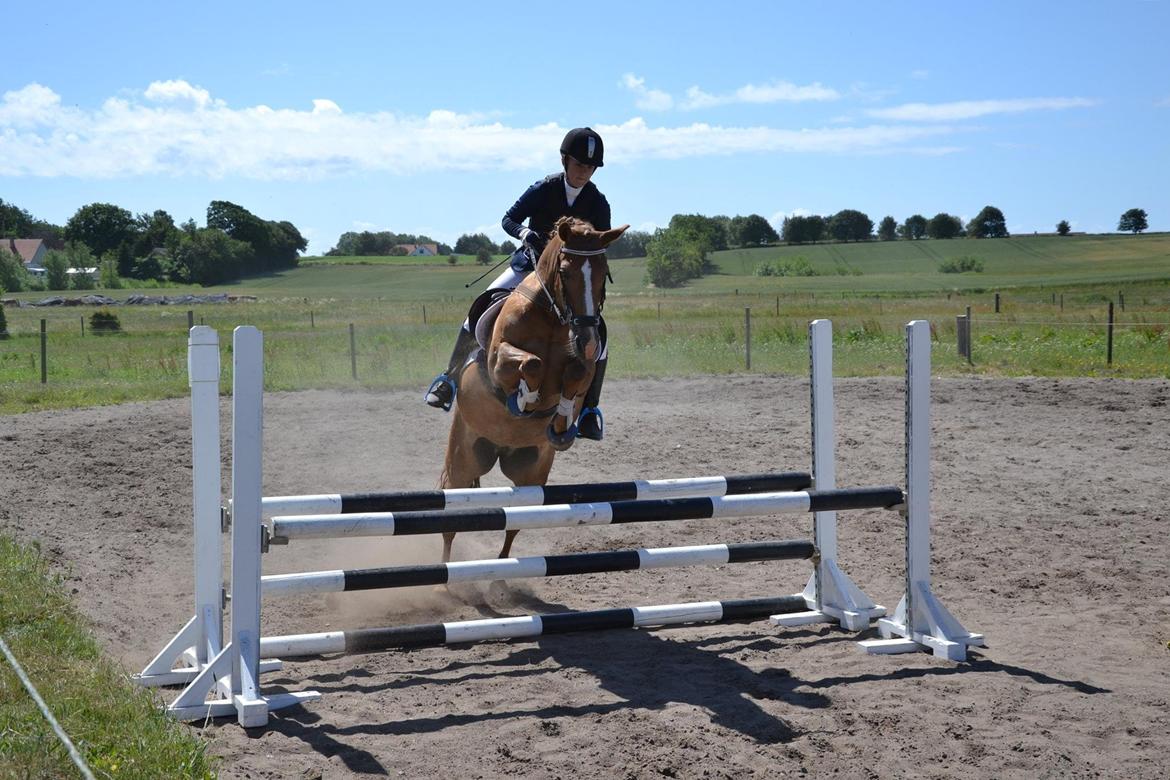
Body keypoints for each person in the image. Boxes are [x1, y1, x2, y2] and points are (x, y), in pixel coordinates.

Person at [424, 127, 612, 440]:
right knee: (480, 306)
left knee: (600, 335)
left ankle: (590, 408)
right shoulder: (543, 188)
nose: (584, 172)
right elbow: (509, 219)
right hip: (529, 267)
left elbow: (598, 246)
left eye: (590, 167)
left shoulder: (598, 203)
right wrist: (524, 233)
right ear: (565, 161)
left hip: (569, 280)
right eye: (580, 165)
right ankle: (449, 379)